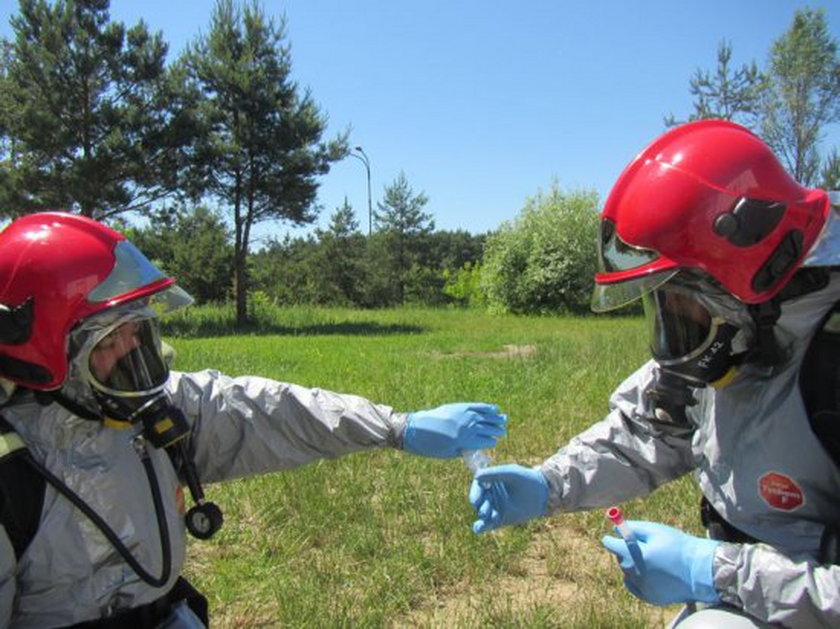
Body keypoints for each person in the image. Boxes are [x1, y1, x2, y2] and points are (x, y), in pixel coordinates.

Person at [0, 211, 508, 628]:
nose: (134, 352)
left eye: (138, 331)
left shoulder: (148, 408)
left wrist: (396, 426)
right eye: (110, 340)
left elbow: (266, 411)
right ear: (49, 355)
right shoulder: (14, 471)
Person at [468, 120, 840, 628]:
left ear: (745, 277)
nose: (675, 332)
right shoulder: (741, 330)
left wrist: (714, 572)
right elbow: (648, 428)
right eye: (664, 309)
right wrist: (546, 483)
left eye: (682, 306)